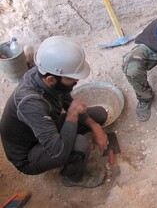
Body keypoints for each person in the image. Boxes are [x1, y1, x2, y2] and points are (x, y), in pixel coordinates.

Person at [0, 36, 109, 188]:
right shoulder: (30, 104)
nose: (76, 82)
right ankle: (72, 178)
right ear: (51, 79)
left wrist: (95, 126)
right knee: (80, 145)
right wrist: (72, 115)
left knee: (99, 115)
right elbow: (59, 152)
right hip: (27, 154)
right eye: (71, 79)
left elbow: (66, 99)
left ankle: (76, 144)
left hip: (42, 127)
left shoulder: (42, 75)